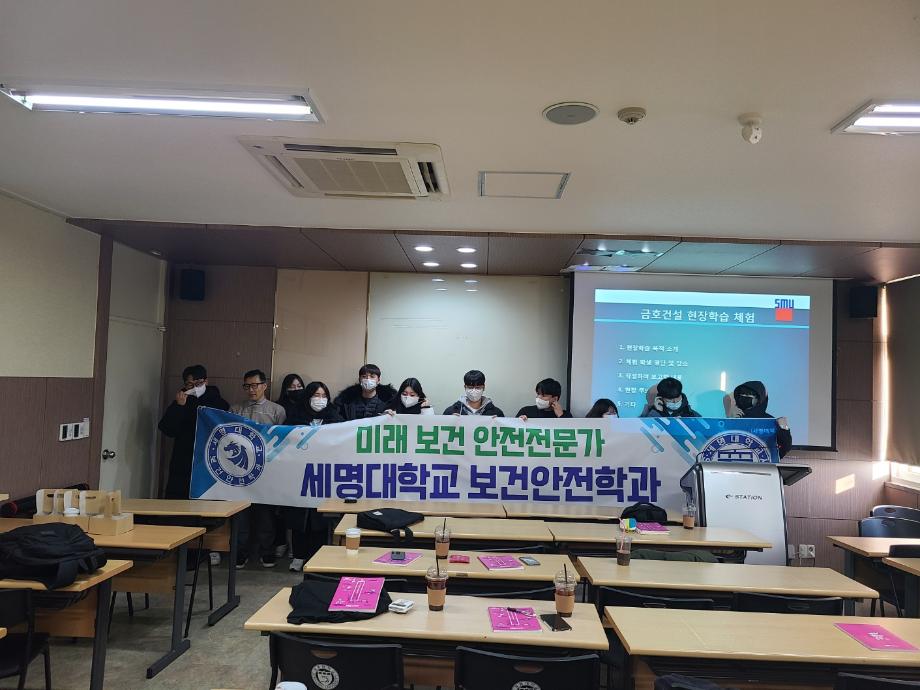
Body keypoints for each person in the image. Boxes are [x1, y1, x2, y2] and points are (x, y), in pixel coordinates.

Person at [282, 381, 344, 571]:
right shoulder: (294, 417)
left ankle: (317, 556)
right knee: (299, 517)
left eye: (324, 396)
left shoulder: (335, 417)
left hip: (324, 475)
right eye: (316, 395)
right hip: (299, 474)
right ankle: (298, 555)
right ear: (307, 397)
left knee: (320, 518)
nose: (320, 399)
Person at [231, 369, 286, 568]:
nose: (251, 390)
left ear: (264, 386)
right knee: (241, 514)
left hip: (267, 470)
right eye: (247, 386)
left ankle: (267, 551)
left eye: (255, 385)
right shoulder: (235, 409)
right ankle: (239, 552)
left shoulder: (277, 410)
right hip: (241, 470)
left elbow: (283, 440)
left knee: (266, 515)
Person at [158, 364, 229, 500]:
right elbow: (167, 429)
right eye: (190, 384)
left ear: (206, 381)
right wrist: (179, 406)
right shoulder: (181, 400)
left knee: (205, 499)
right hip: (183, 458)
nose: (195, 388)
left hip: (208, 457)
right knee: (179, 498)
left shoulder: (218, 402)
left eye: (198, 383)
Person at [732, 380, 793, 458]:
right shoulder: (733, 417)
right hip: (734, 462)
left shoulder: (770, 421)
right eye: (742, 394)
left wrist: (784, 430)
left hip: (763, 463)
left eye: (749, 394)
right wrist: (731, 421)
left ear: (759, 398)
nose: (744, 396)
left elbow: (784, 448)